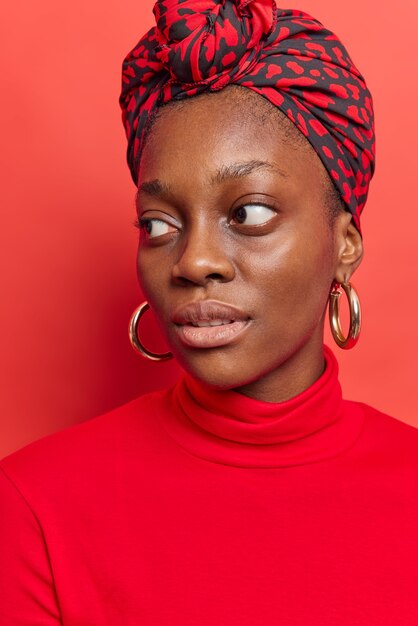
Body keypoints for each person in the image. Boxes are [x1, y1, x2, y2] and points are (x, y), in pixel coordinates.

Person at [0, 1, 417, 624]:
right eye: (159, 223)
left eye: (248, 213)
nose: (193, 262)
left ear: (345, 246)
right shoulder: (32, 507)